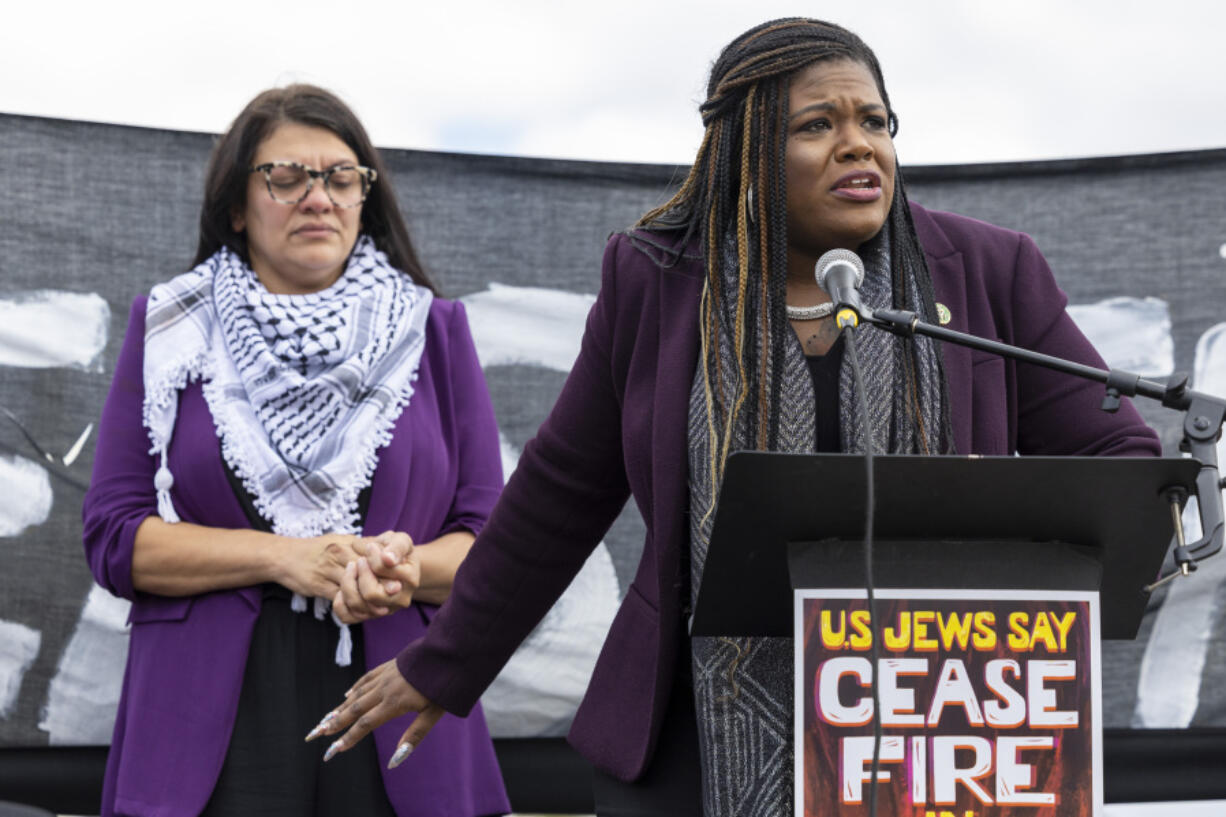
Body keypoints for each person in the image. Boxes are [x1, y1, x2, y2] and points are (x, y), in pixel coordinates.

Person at [311, 18, 1161, 817]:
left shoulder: (983, 270)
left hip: (937, 720)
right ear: (747, 150)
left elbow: (1117, 451)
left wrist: (991, 516)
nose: (858, 143)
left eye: (875, 119)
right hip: (693, 738)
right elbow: (561, 492)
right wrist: (445, 661)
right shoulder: (659, 277)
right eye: (817, 124)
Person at [81, 84, 510, 817]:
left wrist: (391, 569)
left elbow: (494, 548)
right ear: (238, 207)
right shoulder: (170, 327)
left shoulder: (434, 331)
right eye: (288, 176)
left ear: (364, 199)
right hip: (207, 716)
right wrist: (284, 556)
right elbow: (115, 540)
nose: (319, 197)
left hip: (398, 694)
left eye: (342, 177)